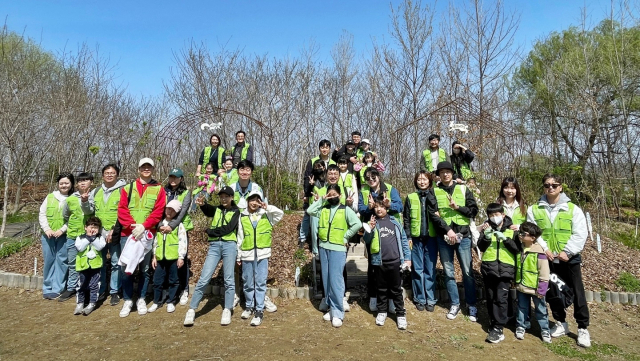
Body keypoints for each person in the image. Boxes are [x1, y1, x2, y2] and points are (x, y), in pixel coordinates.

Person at [527, 174, 591, 348]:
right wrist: (546, 250)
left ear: (561, 187)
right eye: (547, 185)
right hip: (548, 258)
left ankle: (583, 328)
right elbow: (534, 233)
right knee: (553, 292)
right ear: (543, 187)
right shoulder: (534, 209)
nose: (551, 188)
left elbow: (580, 233)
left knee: (578, 293)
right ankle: (561, 322)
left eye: (554, 185)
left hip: (569, 259)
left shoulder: (573, 209)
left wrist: (568, 251)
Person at [428, 161, 479, 321]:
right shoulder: (434, 192)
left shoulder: (464, 189)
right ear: (438, 175)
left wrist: (458, 208)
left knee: (467, 272)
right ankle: (455, 304)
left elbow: (473, 211)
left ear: (452, 173)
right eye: (441, 172)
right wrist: (448, 230)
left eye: (448, 171)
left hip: (463, 236)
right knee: (449, 272)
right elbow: (433, 215)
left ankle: (471, 304)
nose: (445, 174)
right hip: (444, 237)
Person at [184, 186, 240, 327]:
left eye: (226, 196)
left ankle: (227, 309)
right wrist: (202, 204)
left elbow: (229, 229)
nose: (223, 198)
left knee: (229, 279)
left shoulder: (236, 211)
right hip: (214, 247)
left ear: (231, 197)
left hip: (229, 245)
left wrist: (210, 231)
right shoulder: (217, 209)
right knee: (204, 278)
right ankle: (192, 309)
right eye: (221, 196)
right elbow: (208, 209)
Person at [306, 184, 362, 328]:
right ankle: (331, 307)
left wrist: (346, 237)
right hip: (324, 247)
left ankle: (338, 312)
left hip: (338, 248)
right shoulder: (323, 209)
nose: (332, 197)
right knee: (326, 279)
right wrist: (321, 200)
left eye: (334, 194)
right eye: (329, 195)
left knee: (336, 280)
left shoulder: (346, 210)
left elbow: (357, 224)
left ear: (340, 195)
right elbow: (310, 210)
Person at [117, 157, 167, 318]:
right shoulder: (128, 188)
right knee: (126, 269)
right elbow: (122, 209)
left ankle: (141, 298)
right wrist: (133, 226)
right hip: (129, 234)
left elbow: (159, 211)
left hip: (147, 234)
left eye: (149, 167)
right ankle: (127, 299)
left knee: (145, 269)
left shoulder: (159, 189)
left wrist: (144, 226)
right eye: (143, 167)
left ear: (153, 169)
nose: (146, 169)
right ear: (139, 169)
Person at [358, 168, 403, 312]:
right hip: (373, 231)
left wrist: (389, 205)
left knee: (391, 268)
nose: (371, 180)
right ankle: (373, 296)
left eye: (373, 176)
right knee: (373, 267)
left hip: (389, 232)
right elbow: (361, 209)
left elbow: (400, 206)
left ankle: (390, 299)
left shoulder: (389, 189)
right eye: (367, 178)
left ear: (379, 176)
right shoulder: (364, 192)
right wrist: (369, 208)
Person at [363, 195, 411, 330]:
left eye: (382, 207)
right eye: (376, 207)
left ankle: (401, 314)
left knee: (396, 289)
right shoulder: (373, 222)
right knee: (381, 289)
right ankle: (382, 312)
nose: (379, 209)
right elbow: (366, 240)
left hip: (395, 262)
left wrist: (407, 258)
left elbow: (403, 241)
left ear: (387, 208)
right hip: (379, 262)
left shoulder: (395, 222)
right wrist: (370, 229)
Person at [237, 191, 284, 326]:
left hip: (262, 255)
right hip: (247, 254)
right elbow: (240, 237)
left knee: (260, 282)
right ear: (247, 202)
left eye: (256, 200)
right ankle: (249, 306)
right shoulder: (243, 216)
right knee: (247, 282)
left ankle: (259, 310)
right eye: (251, 200)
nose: (254, 203)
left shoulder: (267, 215)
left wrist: (267, 206)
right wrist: (239, 255)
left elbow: (280, 213)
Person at [477, 203, 520, 343]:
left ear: (503, 215)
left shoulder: (512, 230)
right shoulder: (486, 229)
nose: (494, 217)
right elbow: (480, 246)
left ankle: (498, 328)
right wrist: (486, 237)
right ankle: (494, 320)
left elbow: (517, 249)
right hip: (489, 268)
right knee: (490, 296)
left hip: (506, 269)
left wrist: (506, 239)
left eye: (497, 215)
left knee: (501, 298)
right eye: (491, 215)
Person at [403, 171, 438, 312]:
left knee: (430, 269)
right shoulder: (410, 197)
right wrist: (408, 236)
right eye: (419, 179)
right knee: (417, 270)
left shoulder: (435, 195)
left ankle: (430, 298)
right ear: (415, 181)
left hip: (431, 237)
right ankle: (420, 298)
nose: (422, 182)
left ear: (429, 181)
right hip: (416, 239)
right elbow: (406, 219)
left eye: (424, 179)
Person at [92, 164, 127, 306]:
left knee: (115, 263)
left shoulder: (123, 190)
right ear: (102, 175)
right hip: (99, 234)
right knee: (99, 263)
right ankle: (100, 290)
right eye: (107, 173)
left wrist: (114, 229)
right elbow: (91, 211)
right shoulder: (96, 191)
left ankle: (114, 291)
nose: (109, 175)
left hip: (115, 233)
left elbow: (124, 211)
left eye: (112, 173)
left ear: (117, 175)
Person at [60, 172, 94, 302]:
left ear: (91, 182)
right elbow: (66, 215)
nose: (83, 183)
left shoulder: (94, 196)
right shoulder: (70, 199)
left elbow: (89, 212)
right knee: (72, 262)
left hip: (89, 237)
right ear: (77, 184)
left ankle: (88, 287)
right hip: (73, 235)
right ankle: (71, 287)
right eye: (80, 181)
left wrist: (85, 200)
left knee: (89, 262)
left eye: (86, 180)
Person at [148, 200, 188, 314]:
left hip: (173, 257)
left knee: (173, 280)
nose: (169, 211)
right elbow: (155, 241)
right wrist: (154, 256)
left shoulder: (178, 225)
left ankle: (171, 301)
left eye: (173, 210)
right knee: (157, 280)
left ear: (177, 213)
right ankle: (156, 301)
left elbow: (182, 241)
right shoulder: (159, 224)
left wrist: (181, 257)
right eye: (168, 208)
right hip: (160, 258)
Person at [515, 222, 551, 343]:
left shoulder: (539, 252)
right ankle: (521, 325)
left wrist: (542, 289)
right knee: (522, 307)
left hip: (536, 288)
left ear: (533, 237)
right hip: (522, 286)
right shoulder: (519, 249)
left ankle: (545, 329)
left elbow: (544, 272)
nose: (520, 235)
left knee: (541, 309)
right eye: (520, 232)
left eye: (523, 233)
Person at [39, 173, 73, 299]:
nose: (64, 185)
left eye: (67, 183)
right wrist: (47, 229)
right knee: (49, 260)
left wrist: (63, 230)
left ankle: (58, 287)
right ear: (58, 184)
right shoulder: (50, 197)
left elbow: (74, 217)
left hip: (63, 235)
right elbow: (42, 214)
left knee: (62, 261)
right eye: (61, 183)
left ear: (71, 184)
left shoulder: (73, 198)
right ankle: (47, 287)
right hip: (48, 235)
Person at [162, 168, 193, 306]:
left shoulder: (186, 193)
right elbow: (159, 209)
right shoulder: (163, 192)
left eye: (176, 177)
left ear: (181, 179)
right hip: (163, 228)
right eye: (171, 177)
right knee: (164, 259)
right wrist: (161, 225)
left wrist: (172, 226)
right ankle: (168, 290)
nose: (173, 180)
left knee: (181, 258)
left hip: (180, 228)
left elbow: (182, 212)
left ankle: (184, 289)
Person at [300, 140, 335, 245]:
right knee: (308, 214)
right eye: (322, 147)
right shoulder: (313, 161)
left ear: (329, 149)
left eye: (327, 147)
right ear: (319, 148)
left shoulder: (333, 163)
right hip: (314, 194)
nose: (324, 149)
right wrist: (306, 194)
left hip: (327, 195)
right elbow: (308, 178)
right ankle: (303, 238)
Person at [73, 217, 106, 316]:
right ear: (85, 228)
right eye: (91, 227)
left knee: (94, 285)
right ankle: (80, 303)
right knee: (81, 285)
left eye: (96, 227)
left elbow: (100, 246)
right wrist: (88, 239)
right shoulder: (80, 238)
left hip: (95, 266)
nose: (93, 229)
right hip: (83, 266)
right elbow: (80, 248)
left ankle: (92, 303)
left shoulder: (100, 238)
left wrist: (94, 239)